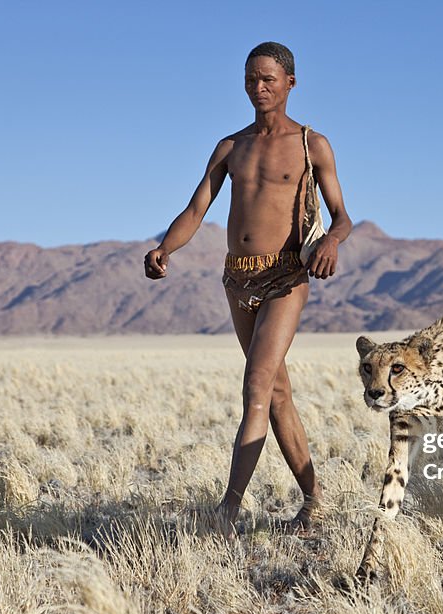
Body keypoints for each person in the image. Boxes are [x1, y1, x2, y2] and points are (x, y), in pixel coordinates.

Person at [144, 42, 353, 532]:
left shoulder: (311, 144)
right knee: (277, 393)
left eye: (268, 80)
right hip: (237, 278)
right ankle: (314, 498)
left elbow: (342, 216)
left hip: (284, 276)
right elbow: (197, 209)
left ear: (290, 84)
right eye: (251, 79)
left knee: (257, 383)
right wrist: (165, 249)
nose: (258, 88)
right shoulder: (230, 146)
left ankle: (227, 512)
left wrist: (333, 244)